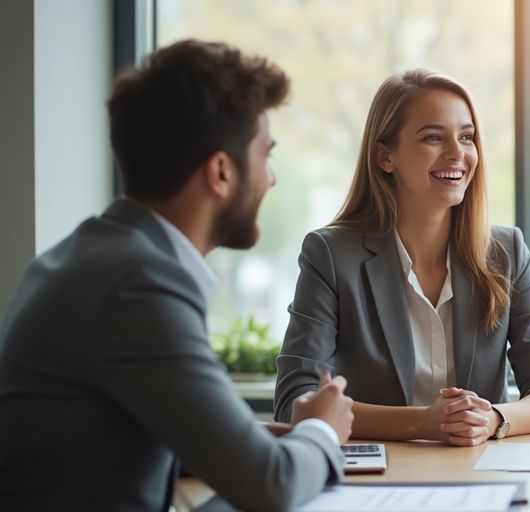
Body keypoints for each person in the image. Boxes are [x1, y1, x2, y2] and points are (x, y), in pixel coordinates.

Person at [0, 40, 354, 511]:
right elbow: (272, 485)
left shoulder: (94, 254)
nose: (271, 178)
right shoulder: (138, 284)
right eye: (265, 155)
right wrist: (322, 429)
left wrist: (251, 440)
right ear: (221, 172)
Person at [274, 69, 530, 446]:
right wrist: (423, 423)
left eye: (466, 137)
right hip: (379, 478)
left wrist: (493, 418)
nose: (457, 153)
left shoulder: (506, 251)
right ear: (385, 157)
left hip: (479, 474)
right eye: (433, 137)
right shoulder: (331, 255)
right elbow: (295, 401)